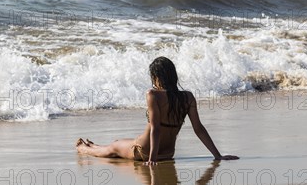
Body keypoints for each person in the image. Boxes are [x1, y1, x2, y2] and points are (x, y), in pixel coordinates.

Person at [76, 56, 239, 165]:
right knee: (119, 142)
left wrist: (152, 159)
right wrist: (217, 155)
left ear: (156, 77)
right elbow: (199, 129)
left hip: (145, 151)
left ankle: (84, 149)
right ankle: (94, 145)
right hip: (168, 153)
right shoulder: (188, 97)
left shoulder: (152, 94)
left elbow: (156, 128)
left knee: (114, 147)